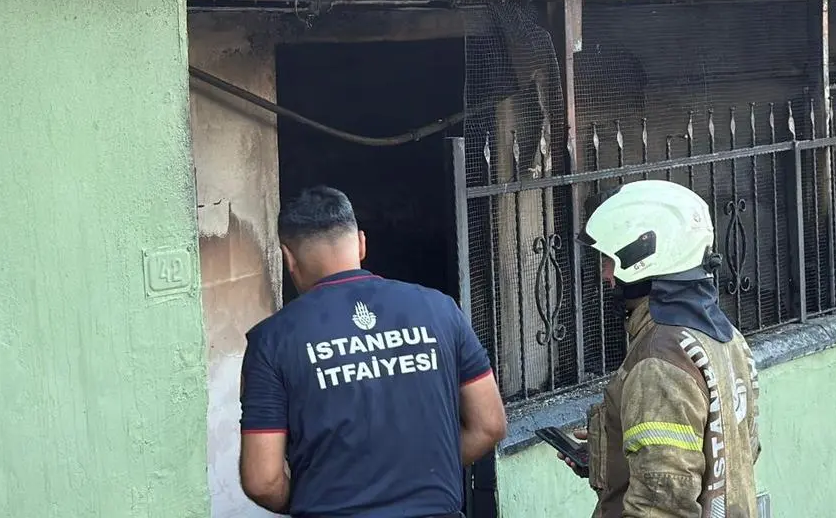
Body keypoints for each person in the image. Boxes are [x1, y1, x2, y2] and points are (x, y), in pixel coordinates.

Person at [239, 185, 507, 517]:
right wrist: (416, 481)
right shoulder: (440, 309)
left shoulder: (271, 340)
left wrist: (319, 498)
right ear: (362, 243)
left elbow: (262, 481)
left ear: (288, 258)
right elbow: (489, 425)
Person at [565, 179, 762, 518]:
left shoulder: (659, 359)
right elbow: (734, 451)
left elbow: (663, 502)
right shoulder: (726, 338)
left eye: (609, 259)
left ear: (643, 257)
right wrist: (609, 450)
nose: (605, 273)